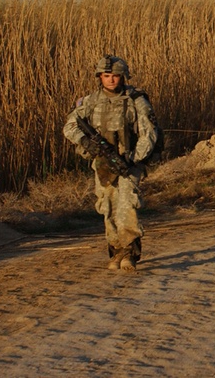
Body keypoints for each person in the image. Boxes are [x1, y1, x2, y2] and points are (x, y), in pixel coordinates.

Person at [63, 55, 160, 272]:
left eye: (115, 76)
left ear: (122, 76)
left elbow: (149, 134)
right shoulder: (90, 102)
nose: (111, 80)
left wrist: (133, 158)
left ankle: (129, 254)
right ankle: (115, 252)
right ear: (100, 77)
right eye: (106, 76)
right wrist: (87, 142)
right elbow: (70, 127)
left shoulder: (136, 101)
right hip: (102, 164)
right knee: (107, 208)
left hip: (128, 163)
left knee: (127, 207)